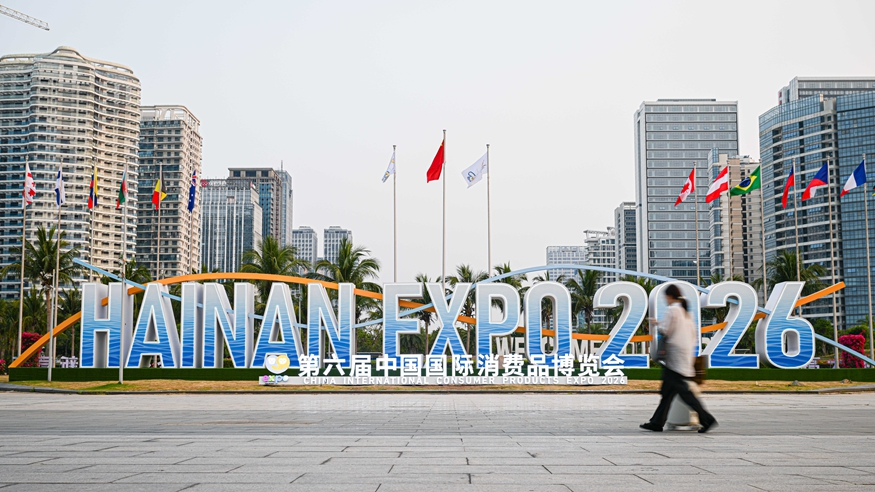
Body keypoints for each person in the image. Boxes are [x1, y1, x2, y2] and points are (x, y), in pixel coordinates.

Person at [640, 284, 717, 433]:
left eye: (665, 297)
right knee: (668, 392)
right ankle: (656, 422)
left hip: (674, 357)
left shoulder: (672, 310)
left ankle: (707, 419)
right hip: (684, 355)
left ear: (669, 296)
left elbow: (666, 330)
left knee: (683, 392)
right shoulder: (686, 312)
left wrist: (656, 324)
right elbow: (692, 334)